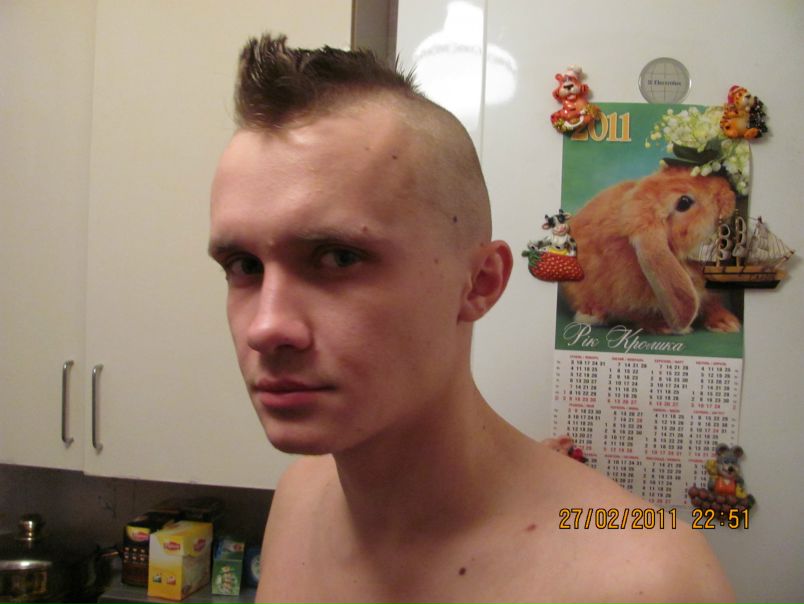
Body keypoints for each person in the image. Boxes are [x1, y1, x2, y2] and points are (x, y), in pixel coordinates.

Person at [208, 34, 734, 603]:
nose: (266, 328)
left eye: (339, 258)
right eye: (244, 266)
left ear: (480, 283)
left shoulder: (648, 579)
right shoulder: (296, 502)